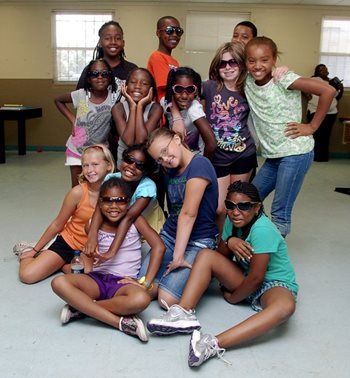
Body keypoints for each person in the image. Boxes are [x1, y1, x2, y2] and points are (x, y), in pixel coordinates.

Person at [147, 181, 298, 367]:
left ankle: (210, 344)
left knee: (285, 308)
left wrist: (234, 298)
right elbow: (219, 257)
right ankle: (183, 312)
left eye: (244, 206)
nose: (236, 212)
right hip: (244, 277)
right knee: (205, 255)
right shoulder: (231, 221)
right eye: (230, 205)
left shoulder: (262, 229)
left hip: (272, 284)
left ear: (257, 207)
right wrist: (231, 240)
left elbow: (257, 278)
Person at [51, 177, 165, 342]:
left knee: (141, 298)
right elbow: (87, 252)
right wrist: (89, 250)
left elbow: (159, 247)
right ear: (100, 203)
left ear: (128, 202)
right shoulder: (93, 224)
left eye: (120, 201)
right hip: (97, 280)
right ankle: (119, 322)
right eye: (107, 201)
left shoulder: (136, 221)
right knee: (58, 283)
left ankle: (82, 308)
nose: (113, 206)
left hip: (123, 283)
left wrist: (146, 282)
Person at [244, 36, 335, 236]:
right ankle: (257, 241)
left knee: (280, 212)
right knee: (246, 200)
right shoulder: (247, 80)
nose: (258, 65)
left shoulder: (283, 78)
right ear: (246, 62)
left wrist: (311, 126)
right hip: (274, 156)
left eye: (265, 60)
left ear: (274, 59)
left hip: (295, 153)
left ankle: (271, 261)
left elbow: (328, 91)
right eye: (252, 60)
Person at [138, 128, 218, 307]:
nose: (165, 159)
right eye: (159, 158)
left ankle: (204, 272)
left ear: (177, 139)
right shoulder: (169, 170)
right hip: (170, 236)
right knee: (143, 285)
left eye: (165, 151)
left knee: (166, 299)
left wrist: (178, 257)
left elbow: (189, 213)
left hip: (198, 241)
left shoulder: (199, 164)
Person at [14, 145, 114, 284]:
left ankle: (62, 265)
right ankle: (32, 248)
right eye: (85, 166)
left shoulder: (116, 193)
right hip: (68, 242)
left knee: (88, 280)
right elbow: (58, 223)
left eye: (95, 164)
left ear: (109, 165)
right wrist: (34, 250)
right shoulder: (77, 192)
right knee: (27, 276)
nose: (90, 170)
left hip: (90, 250)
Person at [202, 41, 257, 235]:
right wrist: (175, 116)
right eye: (222, 63)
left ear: (242, 64)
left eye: (233, 62)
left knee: (238, 206)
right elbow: (181, 93)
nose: (227, 67)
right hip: (218, 156)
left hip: (244, 155)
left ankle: (234, 243)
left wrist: (280, 71)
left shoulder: (250, 88)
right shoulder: (209, 87)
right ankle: (219, 244)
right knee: (220, 208)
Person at [84, 144, 165, 263]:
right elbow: (99, 208)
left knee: (137, 269)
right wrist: (92, 235)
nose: (132, 166)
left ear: (146, 171)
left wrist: (111, 252)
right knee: (89, 225)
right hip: (123, 227)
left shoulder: (147, 187)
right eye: (129, 160)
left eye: (140, 165)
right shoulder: (111, 178)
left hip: (147, 233)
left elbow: (129, 218)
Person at [77, 20, 138, 162]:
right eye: (107, 38)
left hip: (123, 133)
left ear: (123, 42)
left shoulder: (131, 69)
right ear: (100, 42)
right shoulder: (91, 69)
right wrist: (81, 125)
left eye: (117, 38)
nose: (113, 42)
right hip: (96, 135)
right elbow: (83, 100)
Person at [55, 59, 118, 187]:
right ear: (88, 78)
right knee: (78, 188)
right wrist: (73, 120)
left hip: (99, 152)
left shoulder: (114, 97)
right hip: (77, 150)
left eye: (104, 74)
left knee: (98, 188)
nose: (100, 77)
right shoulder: (82, 95)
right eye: (95, 74)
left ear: (110, 78)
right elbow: (58, 100)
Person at [112, 67, 163, 169]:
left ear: (151, 89)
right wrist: (132, 107)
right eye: (133, 82)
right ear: (125, 86)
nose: (138, 86)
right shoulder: (118, 108)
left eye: (144, 84)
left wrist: (139, 107)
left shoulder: (156, 109)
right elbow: (129, 141)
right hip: (125, 163)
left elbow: (141, 140)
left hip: (149, 164)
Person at [163, 67, 216, 159]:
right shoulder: (165, 103)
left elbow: (212, 144)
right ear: (172, 89)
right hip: (174, 158)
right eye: (178, 89)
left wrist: (201, 164)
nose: (184, 96)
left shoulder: (194, 109)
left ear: (195, 91)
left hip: (194, 159)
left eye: (190, 89)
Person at [307, 64, 344, 162]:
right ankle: (314, 156)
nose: (324, 71)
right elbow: (307, 91)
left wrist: (340, 88)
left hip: (331, 113)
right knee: (316, 135)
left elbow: (337, 96)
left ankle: (323, 157)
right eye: (321, 70)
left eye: (325, 69)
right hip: (315, 111)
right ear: (317, 71)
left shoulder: (331, 82)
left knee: (326, 136)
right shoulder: (313, 80)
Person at [147, 16, 183, 103]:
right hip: (164, 111)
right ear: (158, 33)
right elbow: (164, 90)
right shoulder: (157, 57)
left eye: (178, 31)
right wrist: (175, 113)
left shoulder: (175, 62)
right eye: (169, 30)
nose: (174, 35)